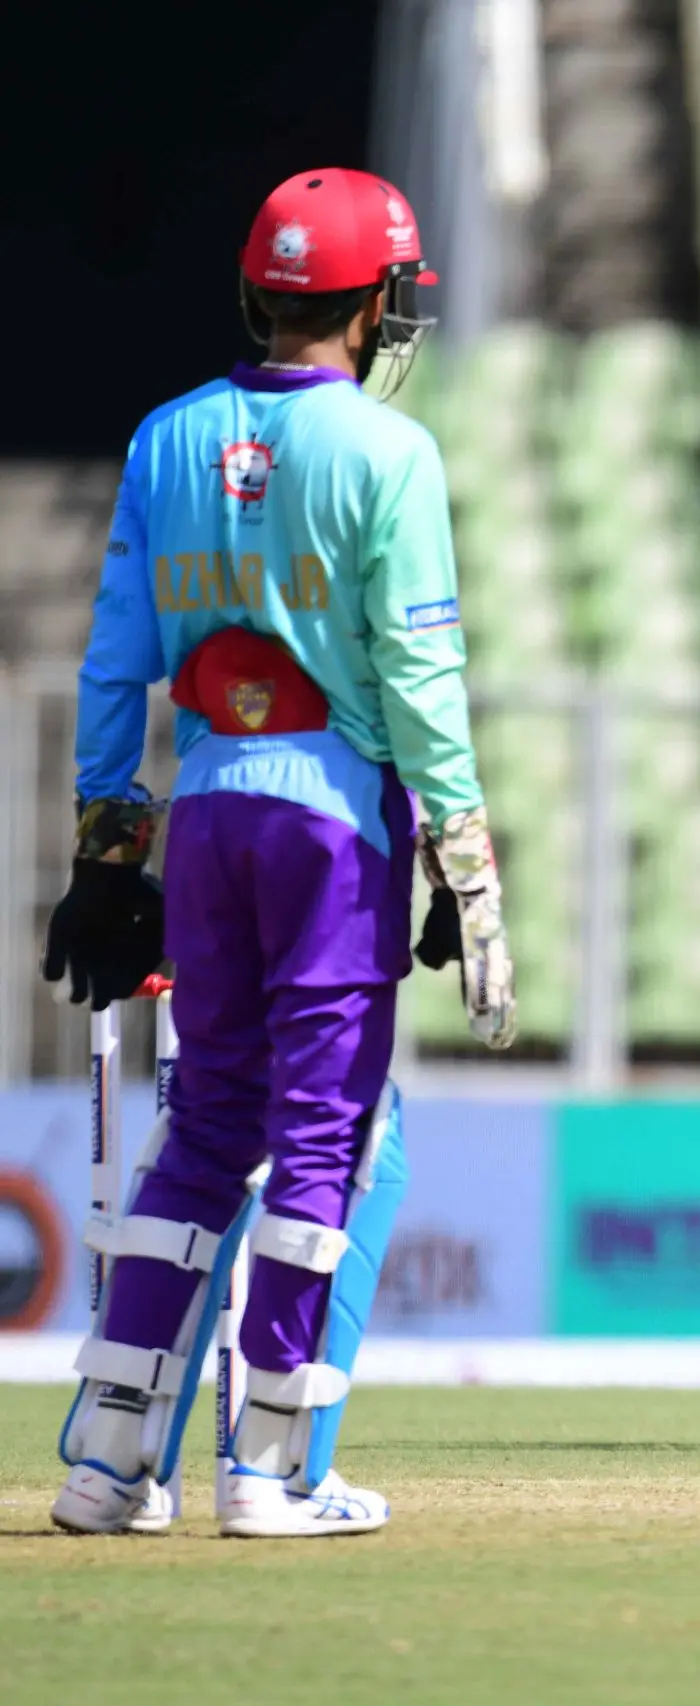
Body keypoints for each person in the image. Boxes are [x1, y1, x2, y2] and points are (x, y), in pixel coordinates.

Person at [43, 167, 515, 1537]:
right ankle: (271, 1469)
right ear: (377, 305)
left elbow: (114, 663)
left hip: (208, 813)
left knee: (206, 1127)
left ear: (258, 290)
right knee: (325, 1130)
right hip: (333, 821)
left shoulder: (166, 436)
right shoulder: (388, 451)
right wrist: (466, 862)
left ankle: (109, 1461)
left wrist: (107, 851)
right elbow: (420, 673)